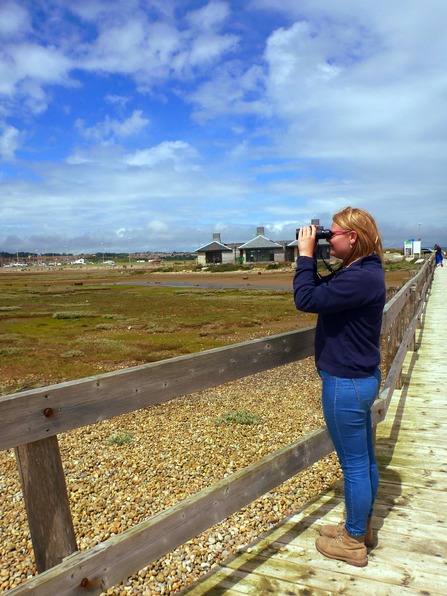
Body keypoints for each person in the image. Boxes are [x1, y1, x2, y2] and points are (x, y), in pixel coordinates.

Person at [293, 207, 386, 568]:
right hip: (360, 379)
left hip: (345, 382)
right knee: (364, 459)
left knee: (355, 467)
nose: (326, 240)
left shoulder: (360, 277)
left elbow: (306, 300)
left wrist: (304, 256)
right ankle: (360, 528)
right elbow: (322, 293)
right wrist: (313, 259)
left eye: (333, 235)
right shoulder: (362, 271)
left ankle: (351, 542)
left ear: (354, 238)